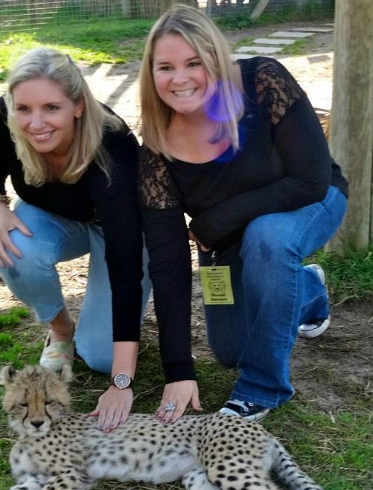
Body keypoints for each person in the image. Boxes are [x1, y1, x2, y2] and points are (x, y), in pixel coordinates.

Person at [137, 5, 349, 423]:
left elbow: (311, 180)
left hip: (310, 202)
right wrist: (178, 369)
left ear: (214, 58)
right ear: (151, 74)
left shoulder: (261, 81)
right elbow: (167, 263)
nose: (179, 79)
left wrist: (217, 220)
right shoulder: (156, 152)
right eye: (166, 67)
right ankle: (305, 289)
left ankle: (262, 388)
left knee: (267, 238)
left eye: (193, 63)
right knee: (231, 350)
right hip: (228, 243)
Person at [0, 48, 151, 431]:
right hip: (54, 216)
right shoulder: (5, 116)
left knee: (102, 357)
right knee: (14, 249)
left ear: (79, 106)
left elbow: (125, 266)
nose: (35, 123)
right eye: (25, 109)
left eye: (51, 108)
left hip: (122, 231)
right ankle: (60, 331)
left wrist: (122, 381)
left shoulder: (113, 150)